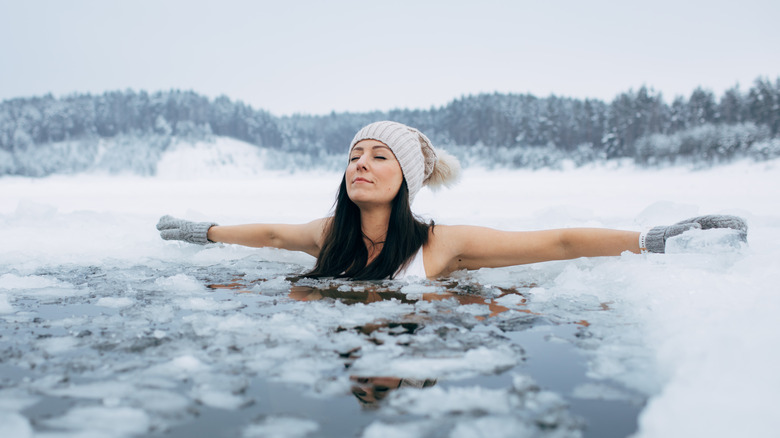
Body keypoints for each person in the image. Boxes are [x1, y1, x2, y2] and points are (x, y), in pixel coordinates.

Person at [157, 121, 748, 281]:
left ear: (407, 179)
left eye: (378, 156)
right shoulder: (327, 234)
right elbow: (270, 235)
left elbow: (557, 243)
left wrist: (651, 239)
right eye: (354, 155)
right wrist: (201, 230)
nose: (360, 163)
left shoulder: (443, 244)